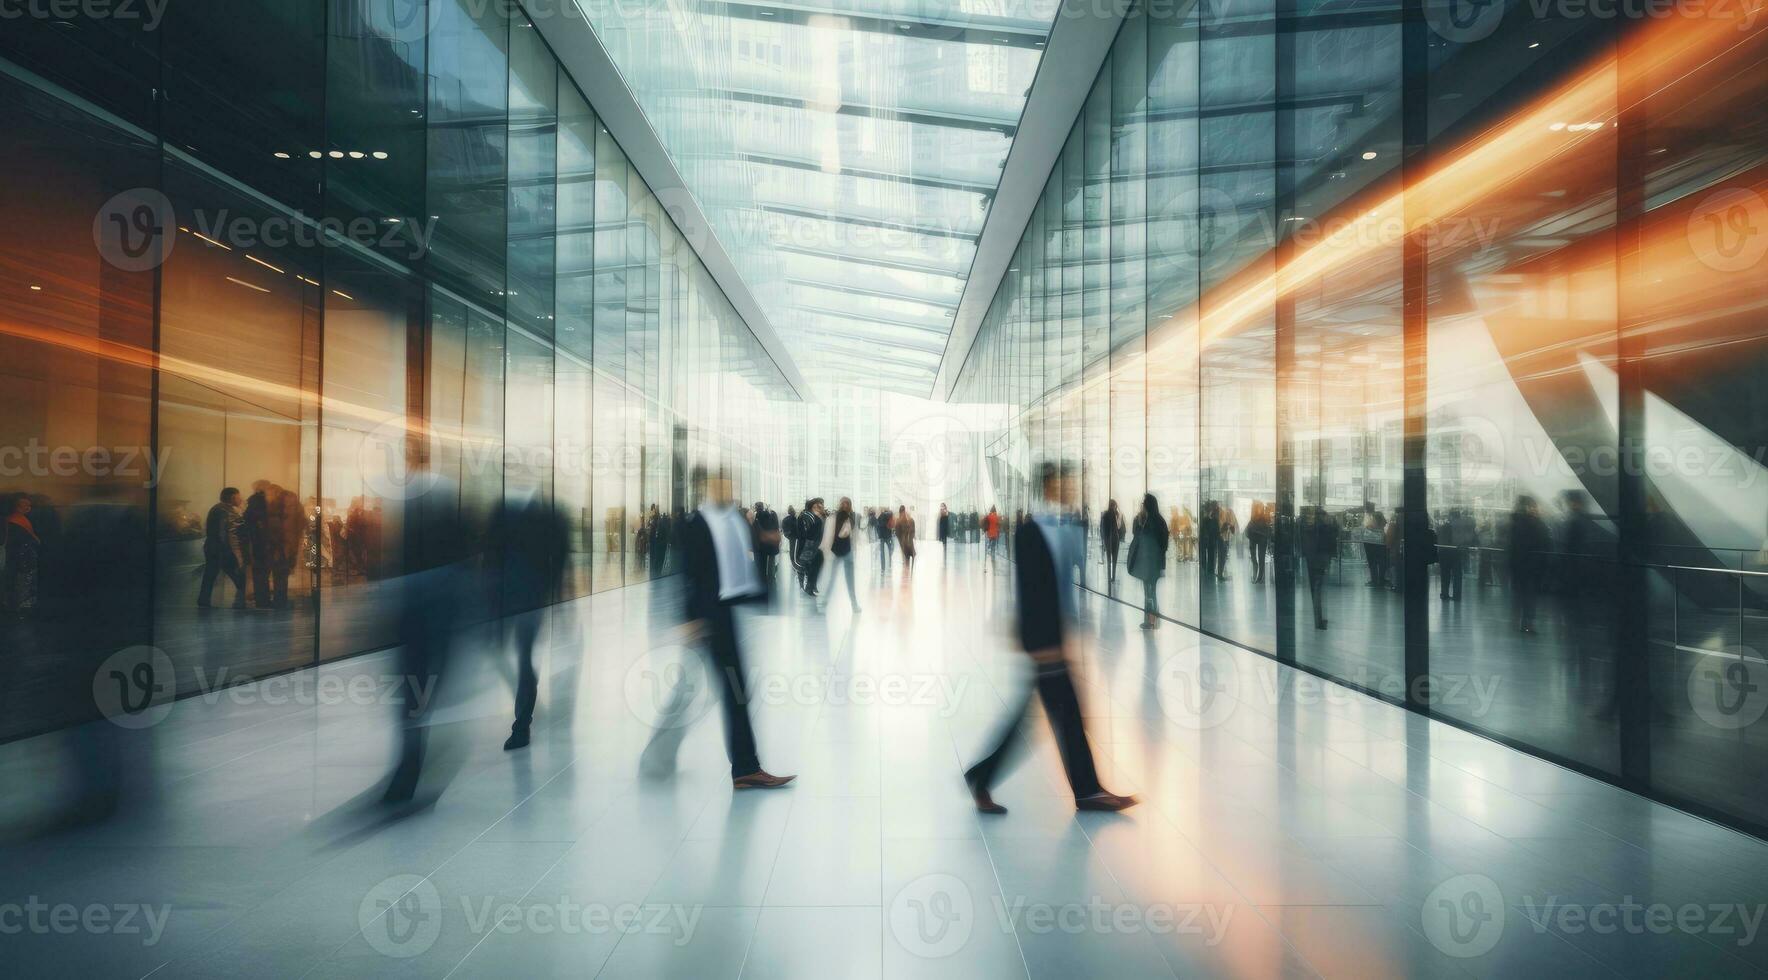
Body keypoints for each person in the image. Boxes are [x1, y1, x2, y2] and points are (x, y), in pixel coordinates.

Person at [965, 462, 1137, 815]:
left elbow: (1061, 585)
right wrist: (1040, 643)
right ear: (1048, 486)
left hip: (1055, 636)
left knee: (1060, 714)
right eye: (1065, 483)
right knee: (1056, 716)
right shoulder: (1031, 530)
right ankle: (1082, 791)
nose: (1071, 488)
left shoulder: (1063, 526)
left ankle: (985, 777)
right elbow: (1029, 591)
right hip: (1044, 642)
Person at [676, 467, 795, 789]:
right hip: (708, 616)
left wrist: (769, 541)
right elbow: (687, 571)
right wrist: (690, 618)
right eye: (718, 485)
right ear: (707, 489)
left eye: (728, 485)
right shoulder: (697, 523)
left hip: (726, 610)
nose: (725, 490)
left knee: (700, 688)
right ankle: (745, 767)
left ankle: (661, 754)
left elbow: (750, 553)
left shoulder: (734, 519)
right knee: (734, 689)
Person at [495, 492, 569, 751]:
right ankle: (523, 711)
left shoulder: (547, 513)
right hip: (505, 600)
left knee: (524, 658)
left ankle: (522, 723)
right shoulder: (501, 511)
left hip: (531, 601)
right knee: (508, 657)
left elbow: (559, 557)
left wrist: (556, 598)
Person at [198, 487, 247, 609]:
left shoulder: (217, 509)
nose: (240, 499)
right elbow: (223, 533)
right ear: (232, 498)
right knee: (237, 575)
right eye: (238, 496)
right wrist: (229, 551)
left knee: (210, 575)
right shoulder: (225, 511)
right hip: (222, 550)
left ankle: (203, 600)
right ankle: (241, 600)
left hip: (213, 548)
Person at [1509, 495, 1551, 634]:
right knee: (1530, 596)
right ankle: (1527, 623)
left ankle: (1517, 622)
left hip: (1519, 566)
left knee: (1519, 595)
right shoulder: (1537, 524)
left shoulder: (1515, 524)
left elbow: (1512, 547)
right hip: (1533, 566)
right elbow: (1545, 544)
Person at [1126, 493, 1168, 630]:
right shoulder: (1159, 520)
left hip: (1149, 564)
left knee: (1149, 592)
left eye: (1144, 504)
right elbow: (1164, 545)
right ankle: (1152, 619)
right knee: (1151, 592)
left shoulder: (1149, 522)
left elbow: (1143, 541)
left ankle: (1150, 620)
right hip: (1154, 564)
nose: (1142, 506)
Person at [3, 493, 42, 619]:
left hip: (17, 558)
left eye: (29, 505)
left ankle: (14, 607)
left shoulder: (14, 519)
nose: (28, 507)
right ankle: (21, 609)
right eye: (24, 504)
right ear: (17, 506)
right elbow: (26, 540)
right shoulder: (17, 521)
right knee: (22, 583)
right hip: (22, 558)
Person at [1301, 505, 1337, 629]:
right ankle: (1319, 619)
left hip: (1312, 559)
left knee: (1315, 588)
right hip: (1322, 559)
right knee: (1320, 588)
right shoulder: (1327, 528)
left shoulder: (1308, 528)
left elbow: (1305, 544)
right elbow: (1332, 542)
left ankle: (1318, 618)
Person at [825, 497, 861, 612]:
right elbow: (829, 534)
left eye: (847, 504)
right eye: (843, 504)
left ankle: (854, 604)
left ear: (849, 505)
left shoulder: (851, 517)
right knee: (832, 578)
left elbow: (853, 536)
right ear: (840, 504)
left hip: (847, 551)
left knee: (849, 579)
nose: (845, 506)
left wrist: (855, 550)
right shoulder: (835, 517)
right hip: (836, 551)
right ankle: (825, 601)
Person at [797, 498, 825, 597]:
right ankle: (808, 586)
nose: (821, 506)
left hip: (814, 545)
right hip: (809, 545)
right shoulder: (807, 515)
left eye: (821, 504)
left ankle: (811, 585)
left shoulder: (817, 516)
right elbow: (804, 532)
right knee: (808, 565)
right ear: (813, 506)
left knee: (814, 564)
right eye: (819, 504)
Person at [752, 500, 781, 592]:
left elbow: (755, 531)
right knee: (771, 564)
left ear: (757, 508)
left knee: (762, 565)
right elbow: (777, 527)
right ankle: (772, 581)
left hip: (763, 545)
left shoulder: (758, 516)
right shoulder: (773, 514)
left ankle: (763, 582)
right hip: (772, 544)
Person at [1247, 501, 1273, 584]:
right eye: (1258, 507)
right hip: (1254, 537)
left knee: (1261, 557)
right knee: (1254, 556)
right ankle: (1256, 573)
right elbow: (1250, 527)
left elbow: (1268, 524)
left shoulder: (1264, 515)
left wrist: (1267, 512)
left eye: (1261, 507)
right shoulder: (1252, 516)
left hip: (1261, 537)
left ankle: (1260, 576)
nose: (1260, 509)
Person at [1100, 499, 1125, 584]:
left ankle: (1112, 577)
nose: (1114, 507)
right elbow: (1103, 528)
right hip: (1110, 539)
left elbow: (1119, 527)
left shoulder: (1115, 514)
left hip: (1113, 539)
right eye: (1114, 505)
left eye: (1115, 506)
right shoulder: (1106, 514)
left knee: (1112, 559)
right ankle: (1111, 577)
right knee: (1111, 559)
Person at [875, 504, 895, 572]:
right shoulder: (890, 515)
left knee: (882, 553)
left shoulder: (880, 516)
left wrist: (878, 534)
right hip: (889, 536)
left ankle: (883, 567)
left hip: (882, 537)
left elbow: (878, 526)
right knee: (890, 550)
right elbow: (892, 525)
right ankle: (889, 564)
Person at [983, 506, 1002, 573]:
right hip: (995, 533)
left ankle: (989, 550)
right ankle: (992, 555)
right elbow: (999, 523)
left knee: (990, 542)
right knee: (993, 544)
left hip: (989, 533)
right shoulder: (996, 516)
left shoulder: (988, 516)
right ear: (995, 511)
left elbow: (984, 520)